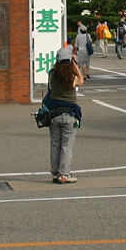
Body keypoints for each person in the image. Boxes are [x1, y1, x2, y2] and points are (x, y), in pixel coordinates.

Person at [47, 46, 83, 184]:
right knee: (66, 146)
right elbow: (81, 80)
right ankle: (64, 174)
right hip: (68, 114)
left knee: (55, 144)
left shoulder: (52, 75)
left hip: (54, 114)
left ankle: (55, 173)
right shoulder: (72, 77)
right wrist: (74, 66)